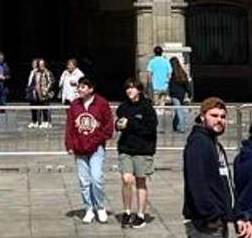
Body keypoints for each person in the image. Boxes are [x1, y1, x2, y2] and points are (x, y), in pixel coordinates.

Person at [181, 98, 243, 238]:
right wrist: (210, 215)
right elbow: (196, 183)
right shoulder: (199, 143)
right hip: (206, 224)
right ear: (202, 116)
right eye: (214, 116)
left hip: (219, 220)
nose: (219, 120)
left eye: (223, 117)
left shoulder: (212, 142)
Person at [64, 77, 115, 224]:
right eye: (79, 87)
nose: (80, 89)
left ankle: (100, 207)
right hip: (79, 147)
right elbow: (70, 127)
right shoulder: (75, 105)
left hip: (96, 146)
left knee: (96, 178)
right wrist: (69, 144)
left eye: (83, 87)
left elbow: (108, 126)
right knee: (84, 181)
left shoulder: (102, 104)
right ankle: (88, 208)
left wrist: (99, 139)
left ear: (91, 89)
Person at [115, 79, 159, 229]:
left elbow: (149, 129)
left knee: (141, 181)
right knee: (127, 179)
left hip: (143, 149)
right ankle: (127, 211)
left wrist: (131, 124)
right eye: (127, 88)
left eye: (132, 88)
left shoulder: (147, 107)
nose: (129, 91)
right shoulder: (123, 107)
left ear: (139, 90)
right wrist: (118, 125)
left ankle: (140, 214)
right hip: (126, 148)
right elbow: (120, 121)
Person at [169, 56, 195, 133]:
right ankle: (175, 125)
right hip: (181, 94)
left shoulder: (172, 74)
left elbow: (170, 85)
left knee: (179, 110)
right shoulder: (182, 73)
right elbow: (187, 84)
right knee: (178, 109)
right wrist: (189, 93)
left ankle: (182, 127)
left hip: (174, 94)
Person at [26, 59, 54, 129]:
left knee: (45, 107)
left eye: (42, 64)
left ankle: (46, 122)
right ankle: (37, 122)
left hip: (45, 93)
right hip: (37, 92)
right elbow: (33, 81)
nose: (41, 66)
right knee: (39, 107)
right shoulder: (36, 72)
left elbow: (51, 82)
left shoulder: (47, 72)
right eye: (39, 64)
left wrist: (46, 90)